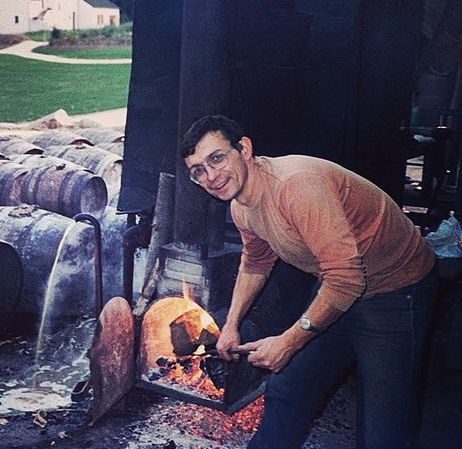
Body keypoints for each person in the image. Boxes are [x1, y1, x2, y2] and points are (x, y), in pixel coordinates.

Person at [180, 114, 439, 449]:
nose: (211, 177)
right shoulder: (241, 205)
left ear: (244, 149)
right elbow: (256, 262)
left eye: (216, 158)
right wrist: (231, 324)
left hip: (395, 289)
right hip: (338, 283)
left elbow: (347, 278)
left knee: (383, 429)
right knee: (288, 388)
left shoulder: (296, 186)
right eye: (198, 170)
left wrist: (289, 341)